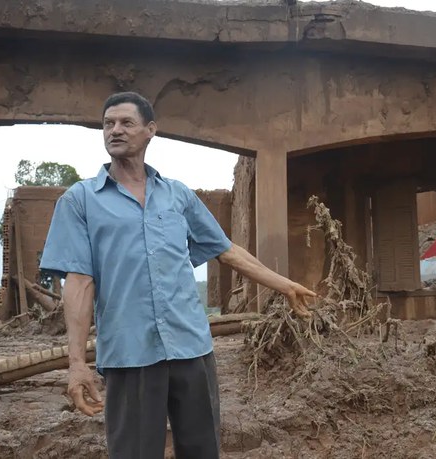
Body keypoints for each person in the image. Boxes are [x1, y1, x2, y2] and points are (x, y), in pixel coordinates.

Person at [39, 91, 316, 459]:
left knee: (203, 451)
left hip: (192, 349)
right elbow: (79, 282)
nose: (114, 130)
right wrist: (76, 364)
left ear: (150, 130)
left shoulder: (177, 196)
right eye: (108, 124)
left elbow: (226, 251)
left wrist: (284, 285)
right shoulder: (80, 200)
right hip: (130, 354)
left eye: (126, 123)